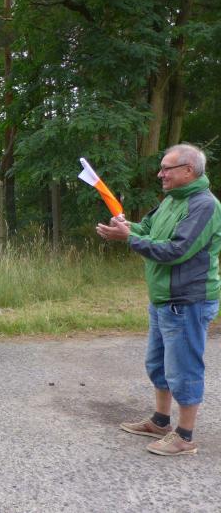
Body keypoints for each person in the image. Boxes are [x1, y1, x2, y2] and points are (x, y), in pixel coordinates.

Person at [96, 143, 221, 456]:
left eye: (167, 168)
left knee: (184, 368)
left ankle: (185, 437)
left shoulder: (204, 205)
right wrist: (127, 228)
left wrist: (130, 239)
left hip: (187, 300)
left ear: (188, 171)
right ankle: (161, 421)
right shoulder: (170, 200)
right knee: (158, 363)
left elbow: (176, 251)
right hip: (163, 298)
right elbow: (148, 230)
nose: (160, 174)